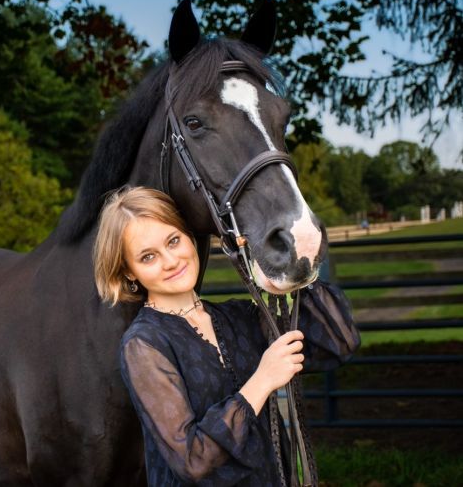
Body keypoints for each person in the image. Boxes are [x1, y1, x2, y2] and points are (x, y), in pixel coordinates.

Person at [93, 187, 360, 486]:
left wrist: (295, 268)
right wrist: (262, 381)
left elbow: (338, 343)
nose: (170, 261)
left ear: (189, 237)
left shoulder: (240, 317)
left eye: (173, 241)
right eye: (148, 257)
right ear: (129, 272)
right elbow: (192, 459)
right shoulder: (144, 345)